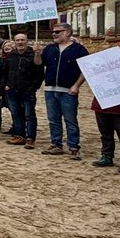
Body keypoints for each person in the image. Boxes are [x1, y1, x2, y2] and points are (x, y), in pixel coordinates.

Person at [37, 24, 88, 159]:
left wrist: (76, 85)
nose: (54, 34)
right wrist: (37, 53)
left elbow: (86, 69)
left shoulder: (79, 49)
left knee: (70, 120)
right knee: (53, 119)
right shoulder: (50, 48)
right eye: (53, 32)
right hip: (50, 89)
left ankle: (73, 146)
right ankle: (56, 144)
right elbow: (39, 63)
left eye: (57, 32)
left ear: (67, 32)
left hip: (68, 90)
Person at [4, 33, 44, 150]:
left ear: (27, 41)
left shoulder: (33, 54)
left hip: (27, 90)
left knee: (29, 115)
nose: (20, 42)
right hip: (12, 90)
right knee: (15, 114)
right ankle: (20, 135)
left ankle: (30, 138)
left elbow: (39, 73)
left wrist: (33, 89)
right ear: (14, 42)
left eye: (22, 40)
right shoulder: (11, 55)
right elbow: (6, 72)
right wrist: (6, 85)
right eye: (17, 40)